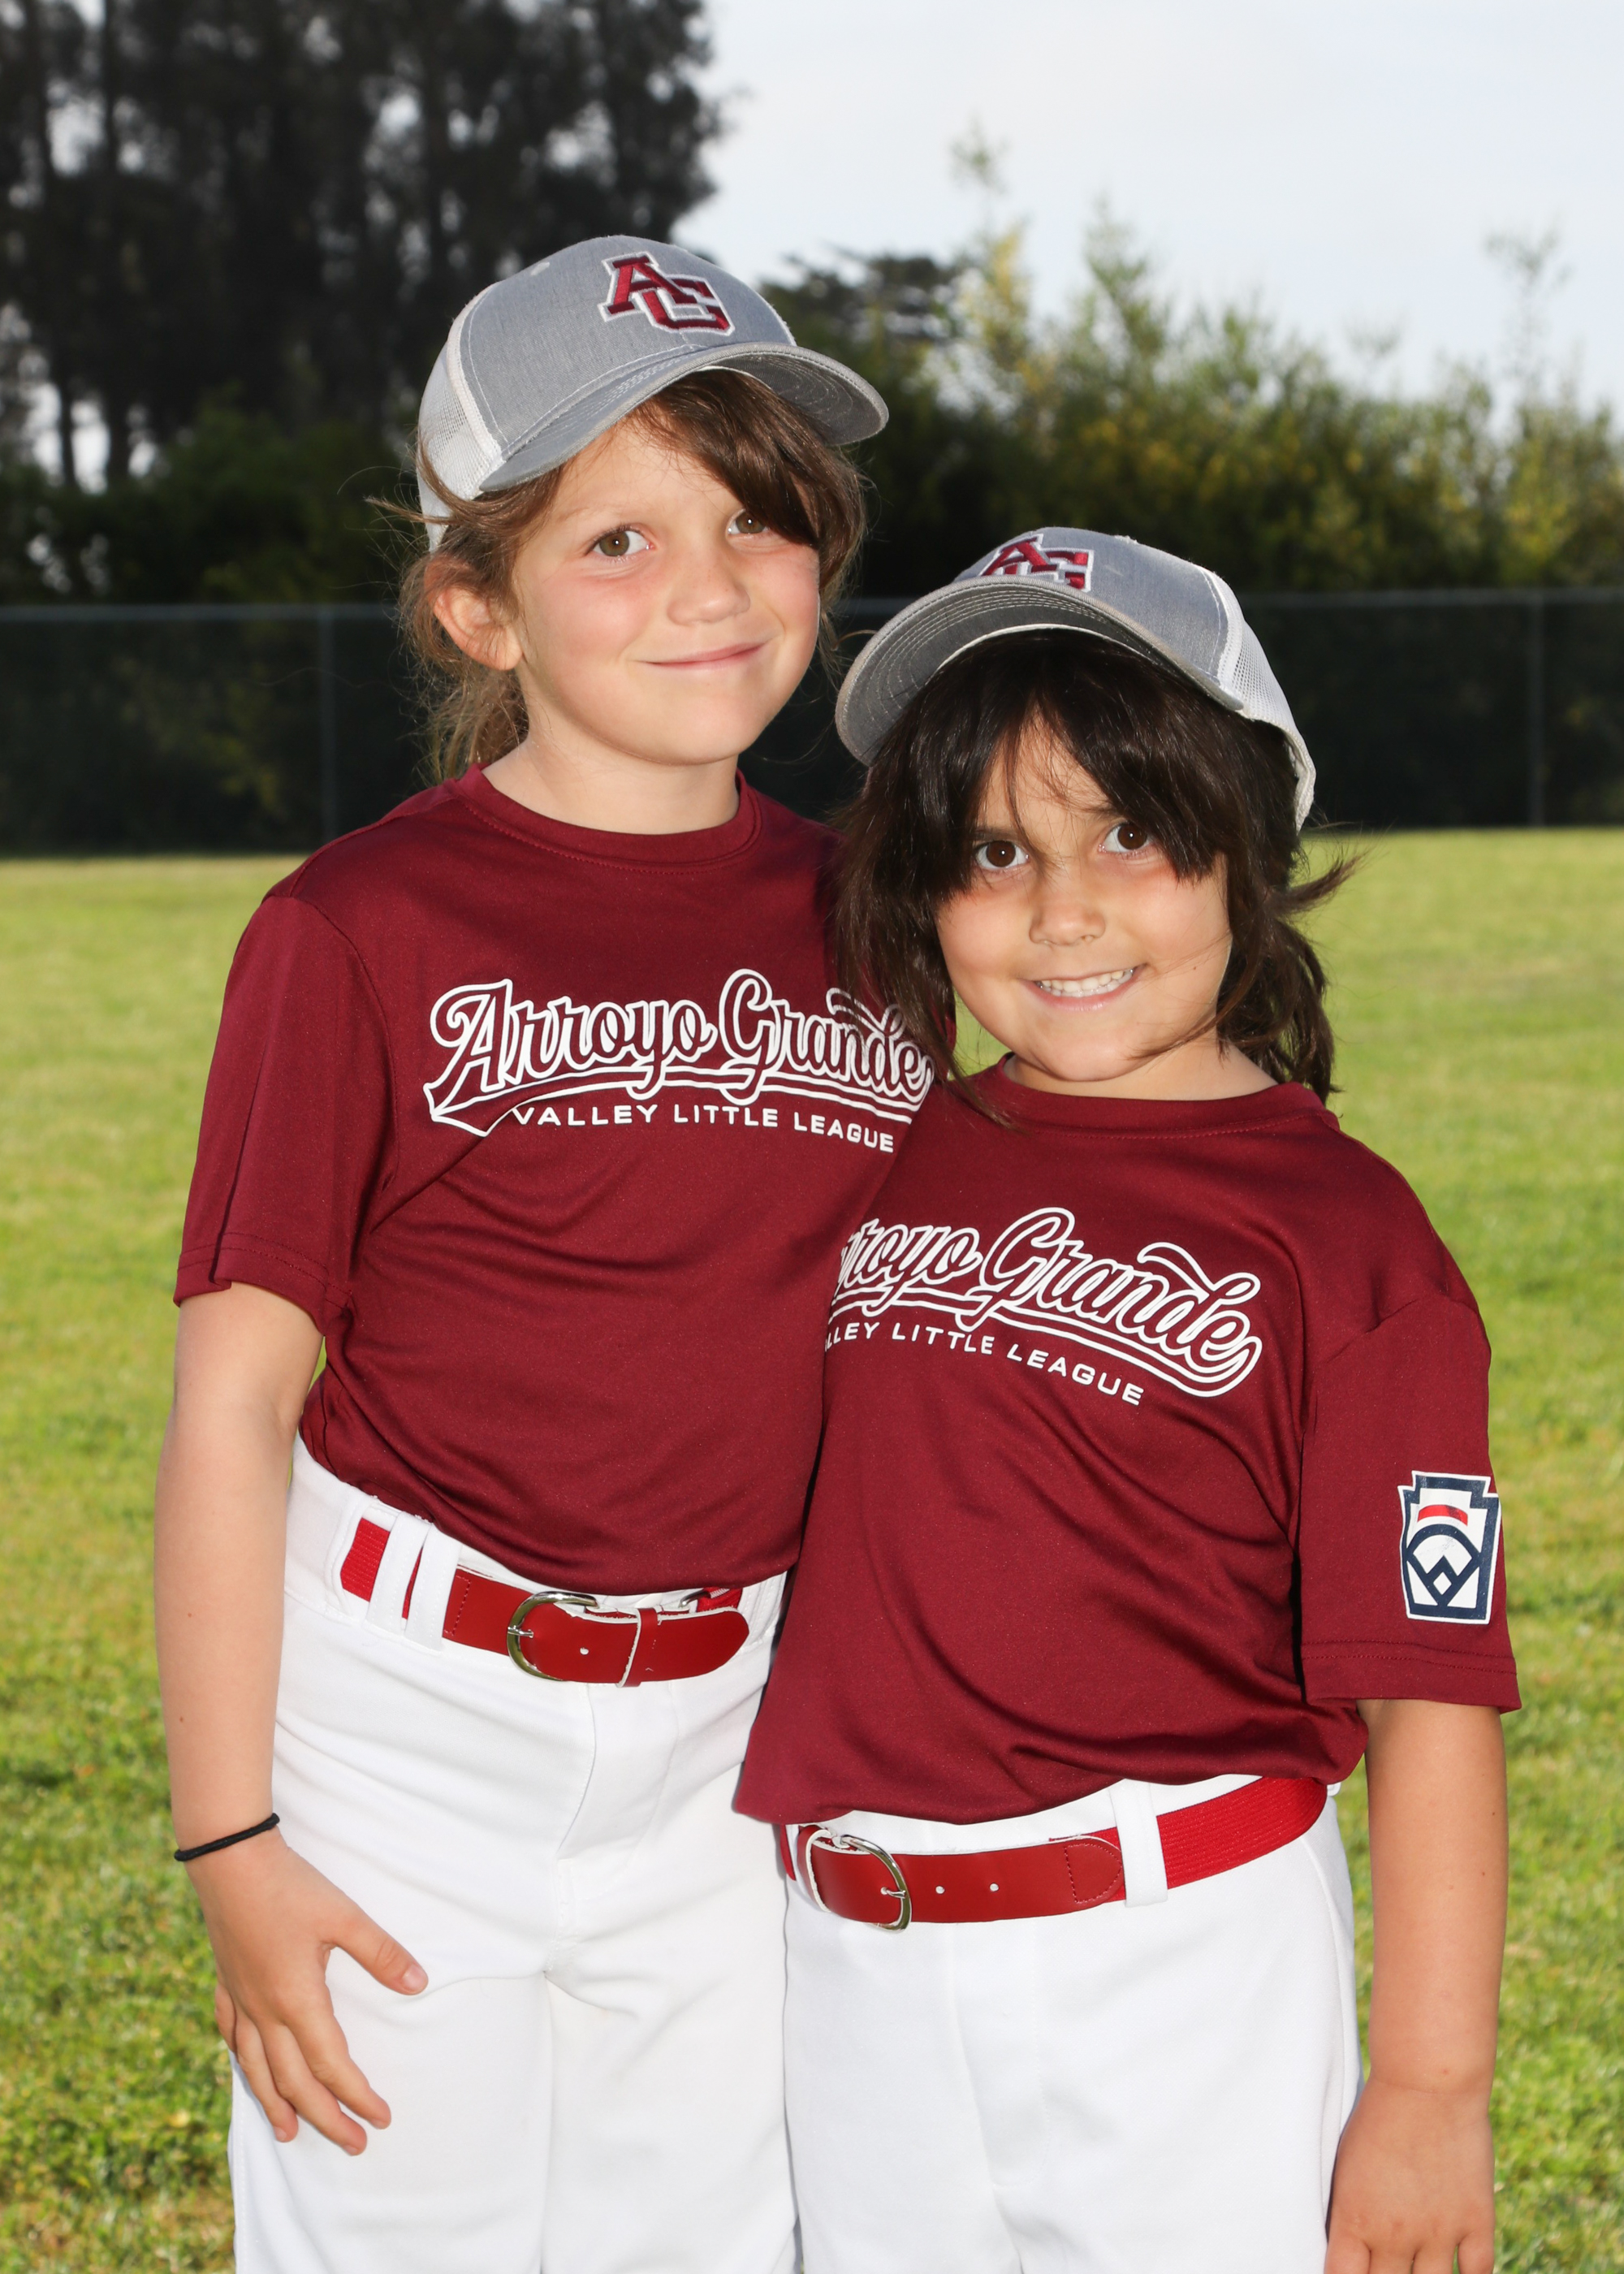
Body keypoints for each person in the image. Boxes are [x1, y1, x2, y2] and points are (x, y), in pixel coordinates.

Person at [154, 236, 932, 2274]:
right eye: (616, 539)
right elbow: (234, 1406)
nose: (711, 585)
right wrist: (232, 1839)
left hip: (731, 1739)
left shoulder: (889, 924)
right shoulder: (357, 926)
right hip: (408, 1719)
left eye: (759, 518)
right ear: (477, 605)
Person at [736, 529, 1519, 2274]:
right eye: (993, 851)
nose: (1063, 911)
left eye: (1133, 836)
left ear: (1250, 846)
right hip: (856, 1971)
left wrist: (1429, 2084)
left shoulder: (1351, 1241)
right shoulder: (891, 1141)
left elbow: (1429, 1694)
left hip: (1181, 1964)